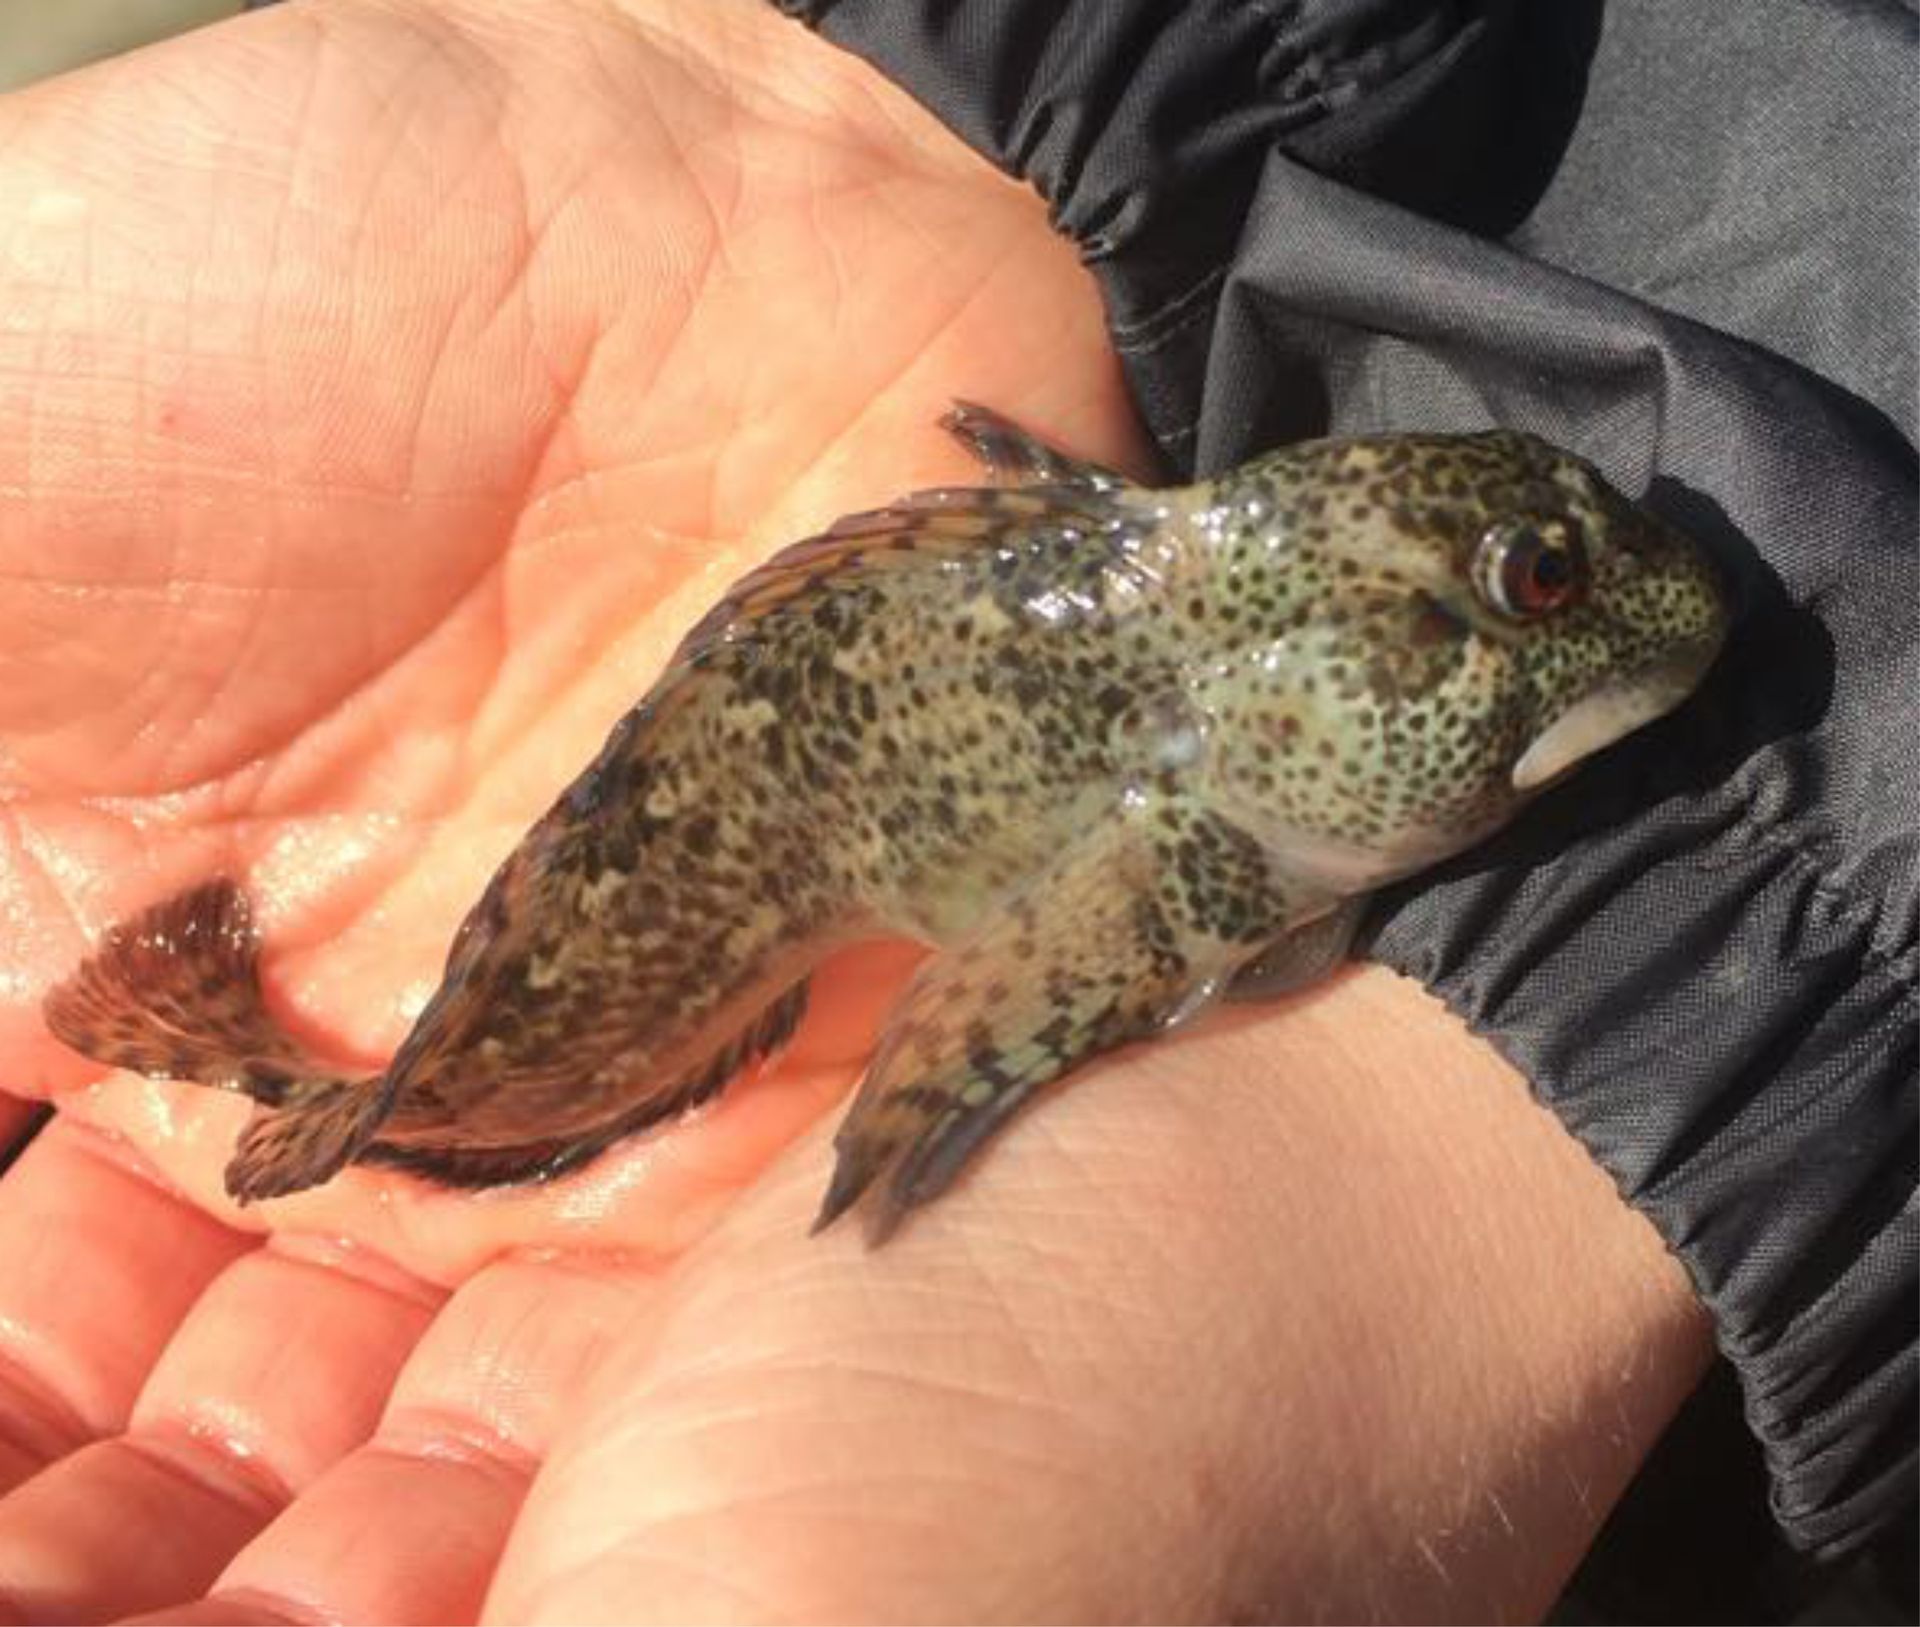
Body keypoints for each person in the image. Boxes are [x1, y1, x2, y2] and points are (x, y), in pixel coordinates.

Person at [0, 1, 1909, 1621]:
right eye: (1535, 597)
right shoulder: (1192, 793)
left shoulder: (1230, 677)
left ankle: (286, 1079)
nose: (1646, 597)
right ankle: (281, 1080)